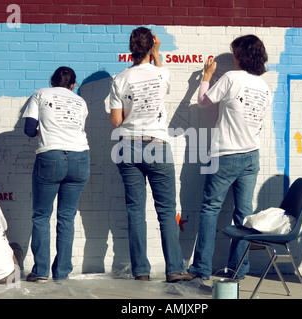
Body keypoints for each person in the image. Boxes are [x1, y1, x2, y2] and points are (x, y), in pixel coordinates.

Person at [110, 27, 192, 282]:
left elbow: (116, 121)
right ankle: (175, 270)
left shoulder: (119, 79)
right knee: (166, 210)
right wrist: (158, 54)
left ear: (131, 49)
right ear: (151, 47)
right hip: (156, 144)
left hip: (127, 145)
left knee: (135, 211)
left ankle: (141, 272)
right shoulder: (162, 73)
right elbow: (160, 76)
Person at [188, 35, 273, 280]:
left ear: (241, 56)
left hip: (225, 154)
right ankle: (238, 270)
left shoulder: (231, 78)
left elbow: (203, 102)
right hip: (251, 156)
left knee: (210, 209)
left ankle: (201, 268)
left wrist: (205, 76)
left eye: (235, 53)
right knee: (243, 215)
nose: (233, 57)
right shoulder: (265, 88)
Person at [23, 66, 90, 282]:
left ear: (52, 81)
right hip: (80, 158)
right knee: (66, 217)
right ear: (73, 85)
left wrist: (39, 132)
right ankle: (61, 274)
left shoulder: (40, 94)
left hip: (51, 157)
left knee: (42, 216)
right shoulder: (80, 102)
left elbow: (28, 129)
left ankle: (41, 272)